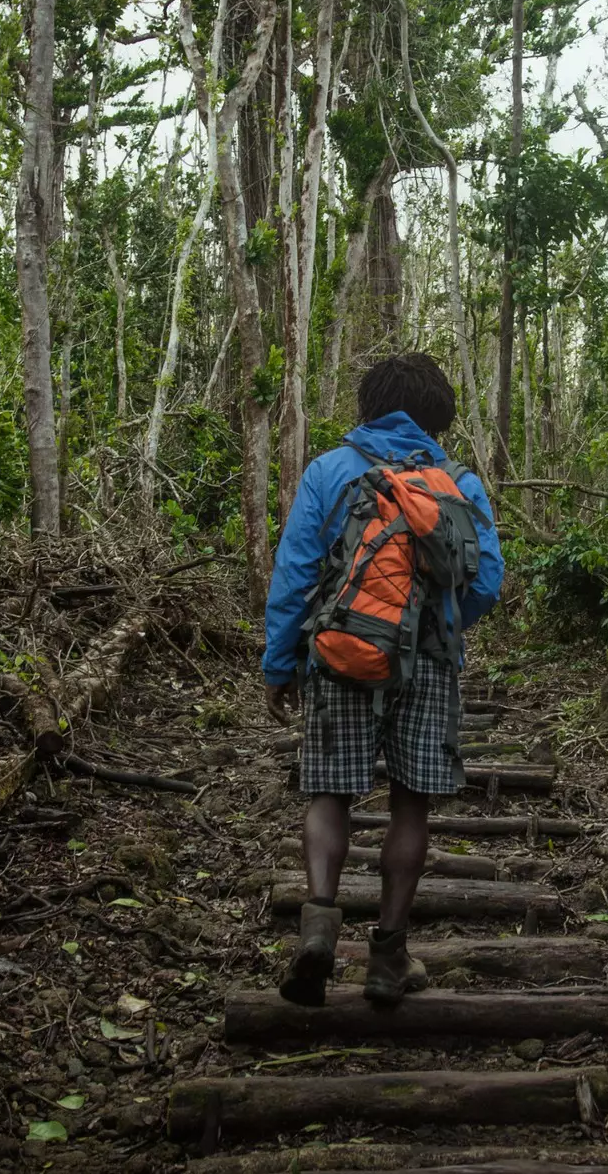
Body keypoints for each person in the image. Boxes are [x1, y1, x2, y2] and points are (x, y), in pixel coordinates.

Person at [261, 352, 503, 1007]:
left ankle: (318, 924)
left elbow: (294, 575)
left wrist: (281, 663)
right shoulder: (459, 481)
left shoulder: (330, 471)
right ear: (438, 418)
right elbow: (486, 583)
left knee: (330, 793)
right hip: (427, 664)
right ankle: (388, 957)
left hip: (342, 655)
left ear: (368, 408)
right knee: (410, 803)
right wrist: (442, 625)